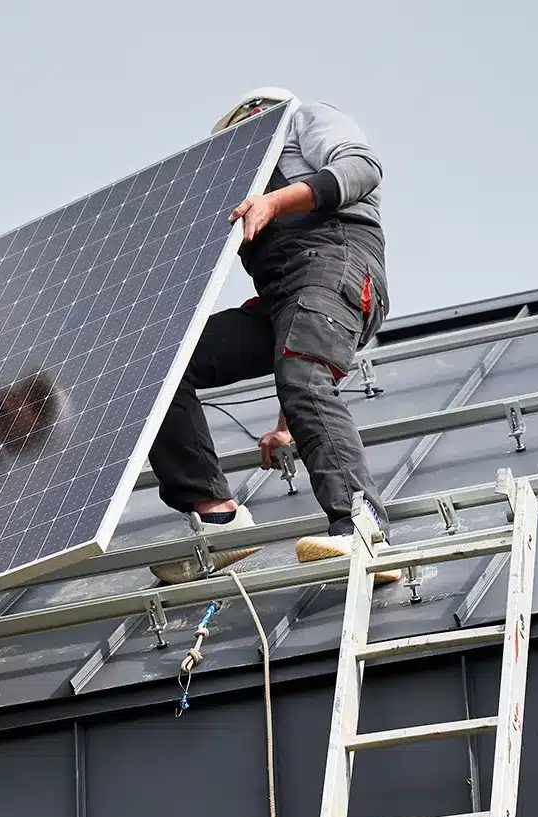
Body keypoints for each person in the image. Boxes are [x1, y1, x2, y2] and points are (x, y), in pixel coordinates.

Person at [147, 87, 399, 586]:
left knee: (303, 374)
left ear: (258, 115)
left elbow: (362, 168)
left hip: (336, 260)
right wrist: (289, 423)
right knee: (163, 362)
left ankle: (362, 527)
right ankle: (220, 520)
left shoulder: (303, 118)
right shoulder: (240, 180)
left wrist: (276, 201)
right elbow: (298, 335)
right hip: (284, 294)